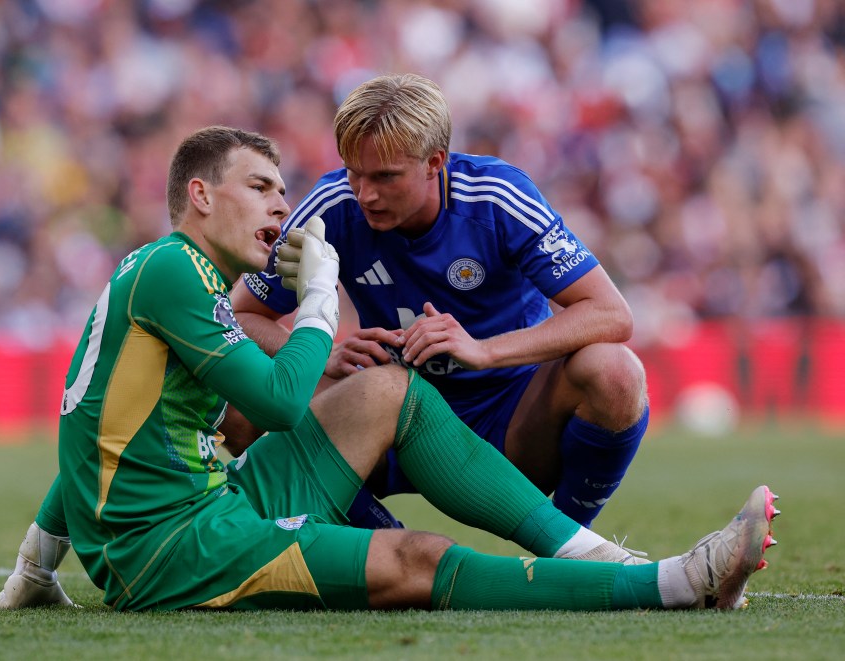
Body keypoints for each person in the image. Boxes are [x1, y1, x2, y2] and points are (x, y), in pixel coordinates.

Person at [0, 126, 779, 614]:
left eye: (284, 190)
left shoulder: (171, 271)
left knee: (393, 388)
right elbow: (279, 405)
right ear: (201, 195)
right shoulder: (177, 272)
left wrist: (35, 569)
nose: (283, 207)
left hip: (213, 502)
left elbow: (86, 425)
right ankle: (671, 585)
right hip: (177, 550)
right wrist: (320, 298)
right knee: (415, 561)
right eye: (261, 189)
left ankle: (588, 550)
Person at [231, 73, 649, 529]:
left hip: (508, 419)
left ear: (435, 162)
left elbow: (610, 313)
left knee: (616, 372)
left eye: (386, 176)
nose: (365, 193)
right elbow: (241, 315)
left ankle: (574, 546)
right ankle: (385, 546)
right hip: (384, 416)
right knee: (239, 394)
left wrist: (485, 351)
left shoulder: (497, 198)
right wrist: (321, 354)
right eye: (355, 171)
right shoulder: (330, 208)